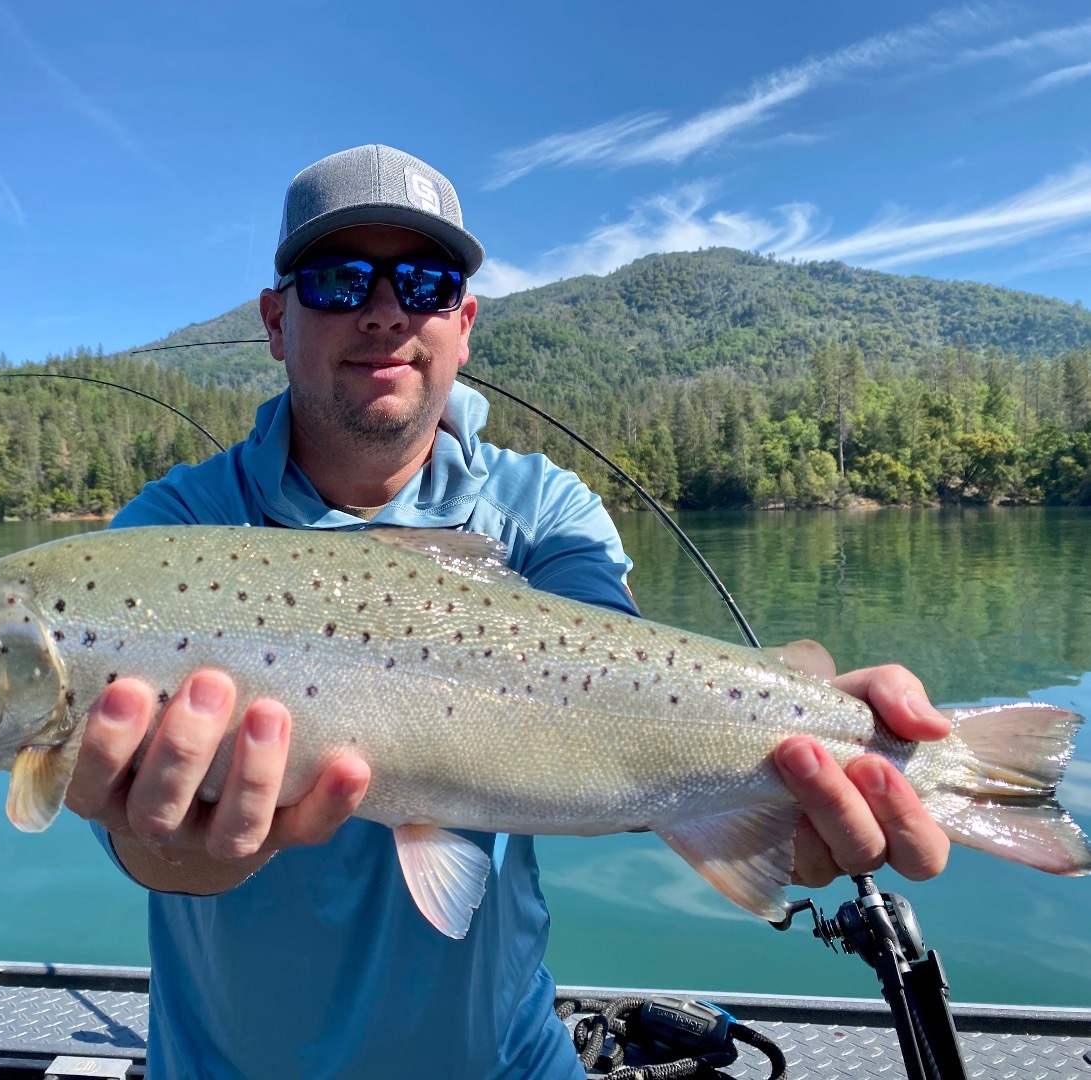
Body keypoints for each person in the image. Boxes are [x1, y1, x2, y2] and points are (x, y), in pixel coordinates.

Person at [63, 144, 952, 1079]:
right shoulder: (170, 536)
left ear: (464, 322)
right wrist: (187, 847)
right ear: (276, 319)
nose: (384, 311)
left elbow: (619, 692)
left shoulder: (543, 512)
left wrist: (794, 755)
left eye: (424, 282)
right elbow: (143, 848)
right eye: (338, 280)